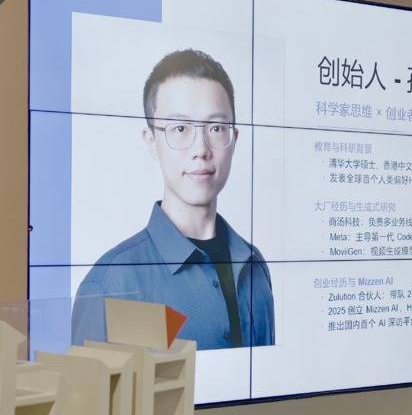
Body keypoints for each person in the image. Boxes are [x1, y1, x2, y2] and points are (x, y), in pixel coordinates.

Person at [71, 49, 274, 350]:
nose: (201, 149)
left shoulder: (254, 264)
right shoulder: (110, 284)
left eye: (216, 128)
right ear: (151, 141)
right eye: (180, 129)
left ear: (234, 139)